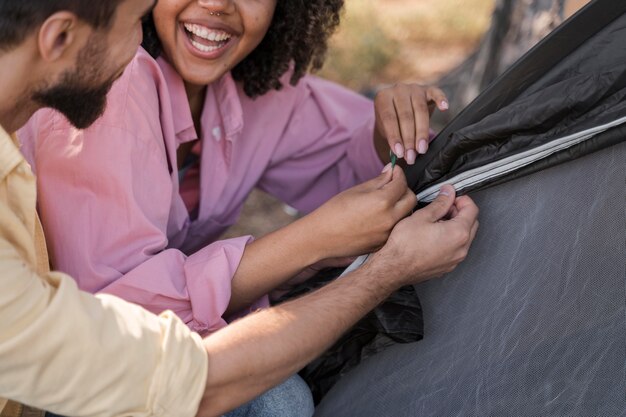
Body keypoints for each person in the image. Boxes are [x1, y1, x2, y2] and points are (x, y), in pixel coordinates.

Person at [0, 1, 479, 416]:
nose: (217, 4)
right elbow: (123, 335)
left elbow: (347, 162)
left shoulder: (260, 86)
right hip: (84, 374)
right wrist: (317, 245)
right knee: (276, 401)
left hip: (121, 357)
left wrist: (388, 132)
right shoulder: (110, 82)